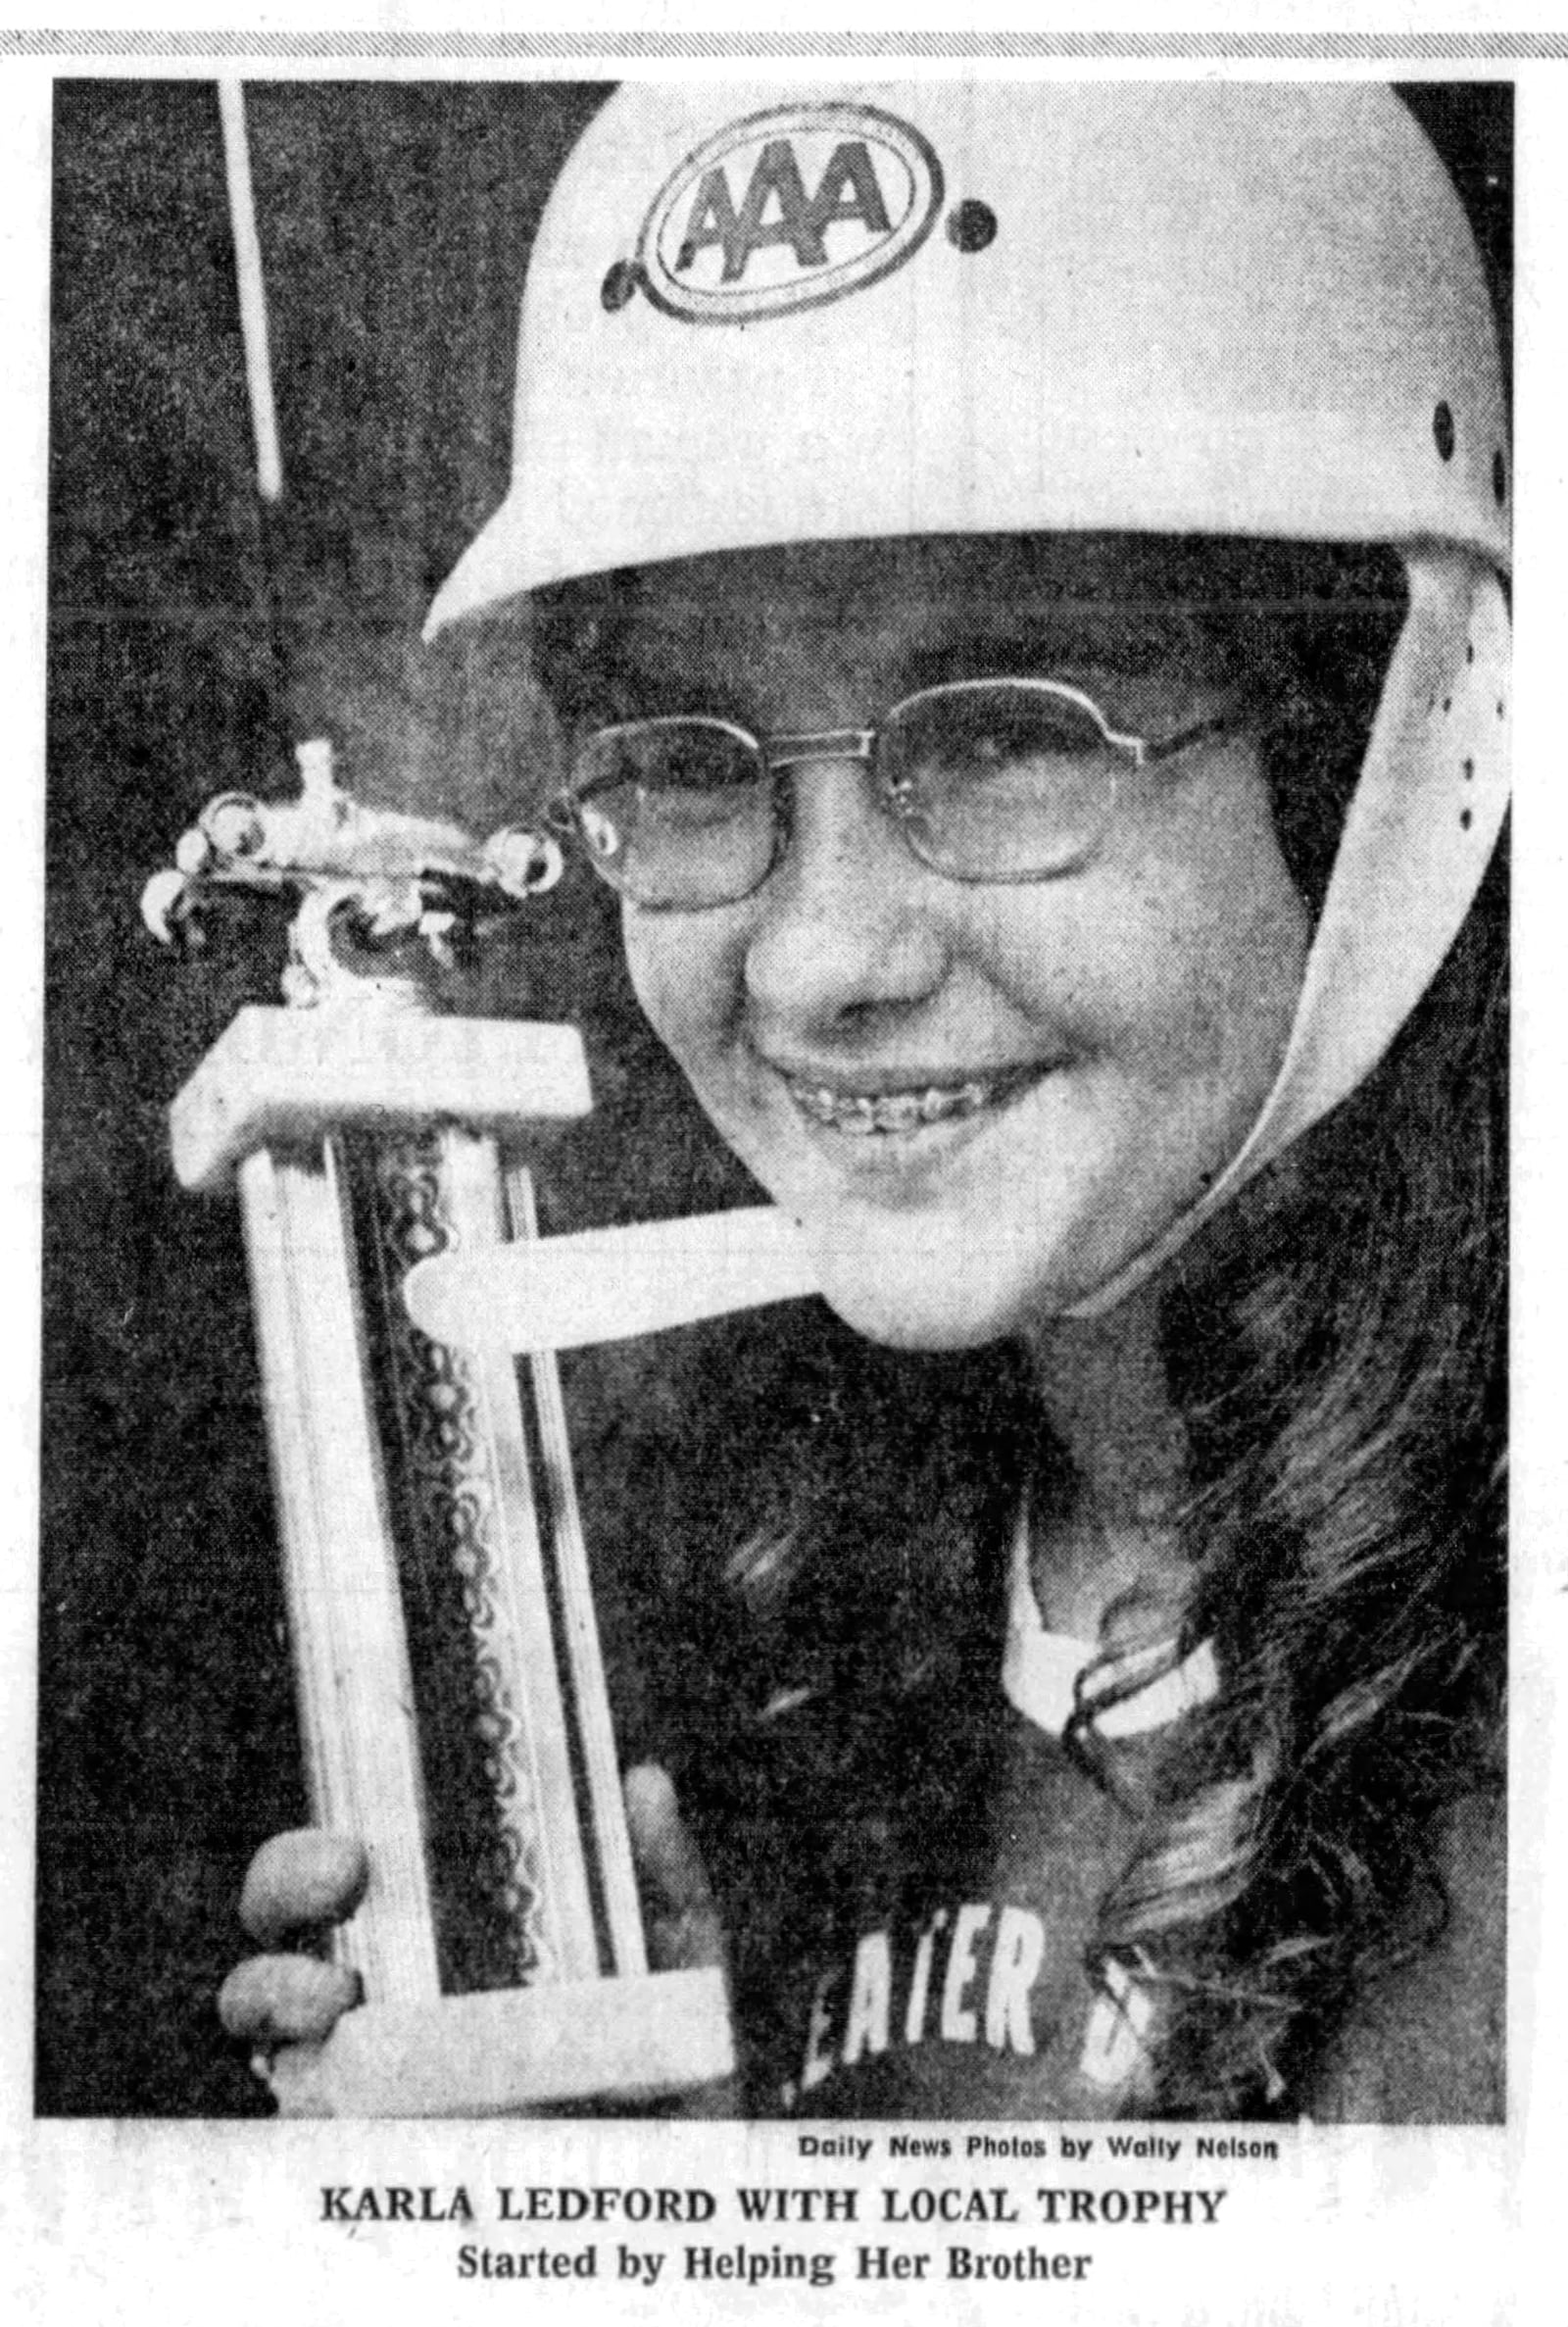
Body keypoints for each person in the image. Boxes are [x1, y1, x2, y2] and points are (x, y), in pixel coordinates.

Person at [219, 80, 1508, 2120]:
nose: (821, 956)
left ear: (1389, 744)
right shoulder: (741, 1629)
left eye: (1000, 736)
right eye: (691, 755)